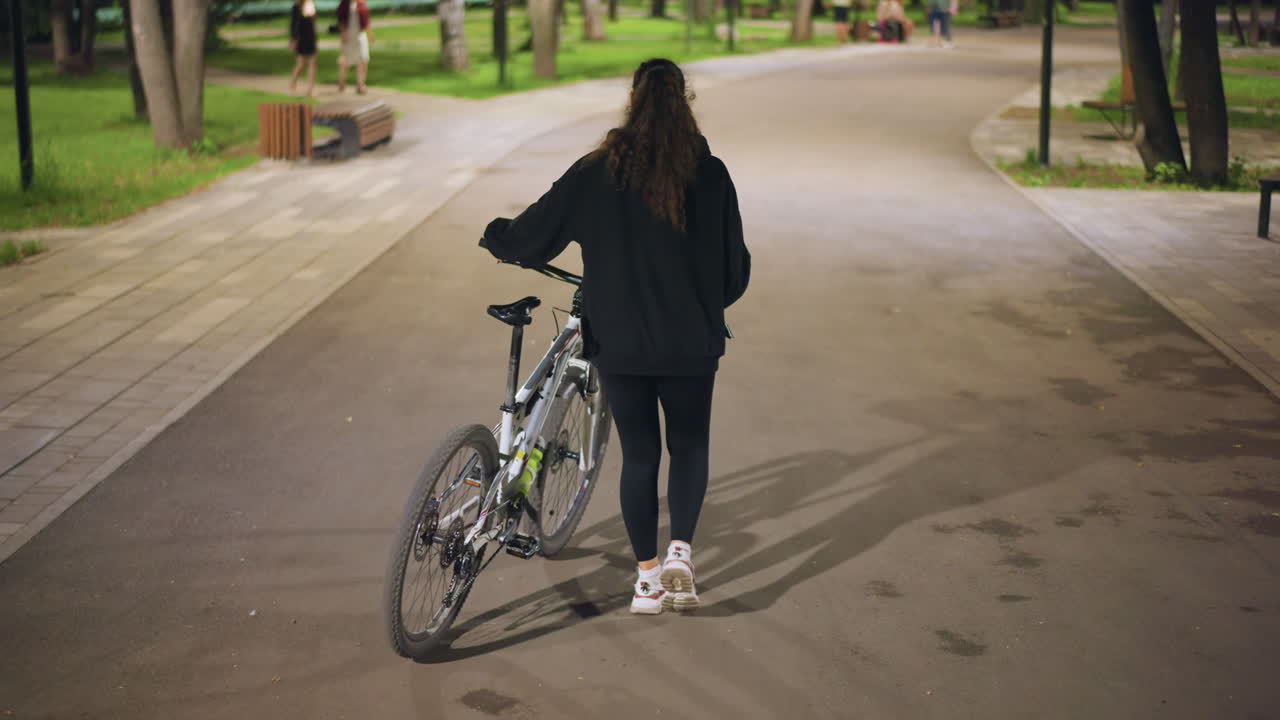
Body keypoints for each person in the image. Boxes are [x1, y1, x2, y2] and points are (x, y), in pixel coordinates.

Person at [481, 59, 750, 616]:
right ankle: (681, 554)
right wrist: (699, 300)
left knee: (640, 456)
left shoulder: (596, 172)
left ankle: (646, 579)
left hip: (620, 342)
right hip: (690, 343)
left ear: (633, 102)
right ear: (685, 102)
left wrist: (498, 238)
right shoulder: (713, 174)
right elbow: (735, 272)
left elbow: (535, 234)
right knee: (690, 447)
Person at [336, 0, 373, 94]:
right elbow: (340, 19)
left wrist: (370, 34)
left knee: (363, 59)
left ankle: (360, 84)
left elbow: (366, 21)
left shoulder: (361, 4)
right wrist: (343, 32)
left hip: (360, 35)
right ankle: (341, 81)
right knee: (345, 60)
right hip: (348, 35)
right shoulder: (345, 3)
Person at [289, 0, 318, 96]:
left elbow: (314, 22)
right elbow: (294, 24)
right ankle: (293, 83)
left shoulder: (311, 5)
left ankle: (311, 89)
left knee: (312, 64)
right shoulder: (296, 7)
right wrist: (293, 39)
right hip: (301, 39)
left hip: (311, 37)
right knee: (300, 64)